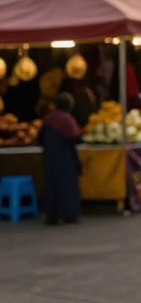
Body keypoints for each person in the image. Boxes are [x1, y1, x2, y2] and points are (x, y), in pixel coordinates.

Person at [39, 92, 82, 225]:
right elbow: (75, 138)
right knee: (67, 186)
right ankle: (69, 214)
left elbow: (40, 138)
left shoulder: (48, 119)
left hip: (50, 158)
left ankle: (52, 215)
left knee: (52, 185)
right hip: (66, 157)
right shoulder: (68, 120)